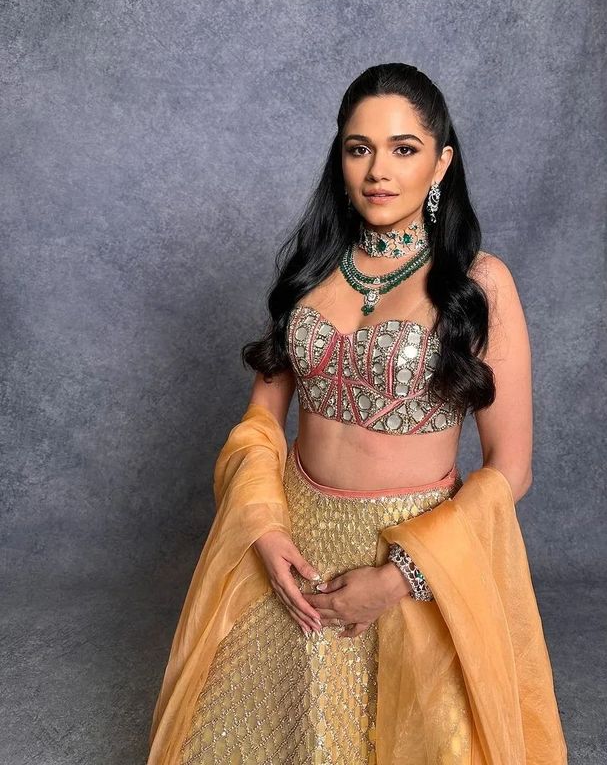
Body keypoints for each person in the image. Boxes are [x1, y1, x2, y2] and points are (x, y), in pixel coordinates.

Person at [147, 62, 568, 764]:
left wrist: (403, 575)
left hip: (417, 556)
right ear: (340, 158)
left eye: (404, 148)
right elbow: (260, 426)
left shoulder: (478, 285)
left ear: (441, 164)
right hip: (295, 556)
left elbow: (511, 469)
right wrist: (263, 529)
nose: (378, 169)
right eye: (358, 147)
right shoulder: (313, 271)